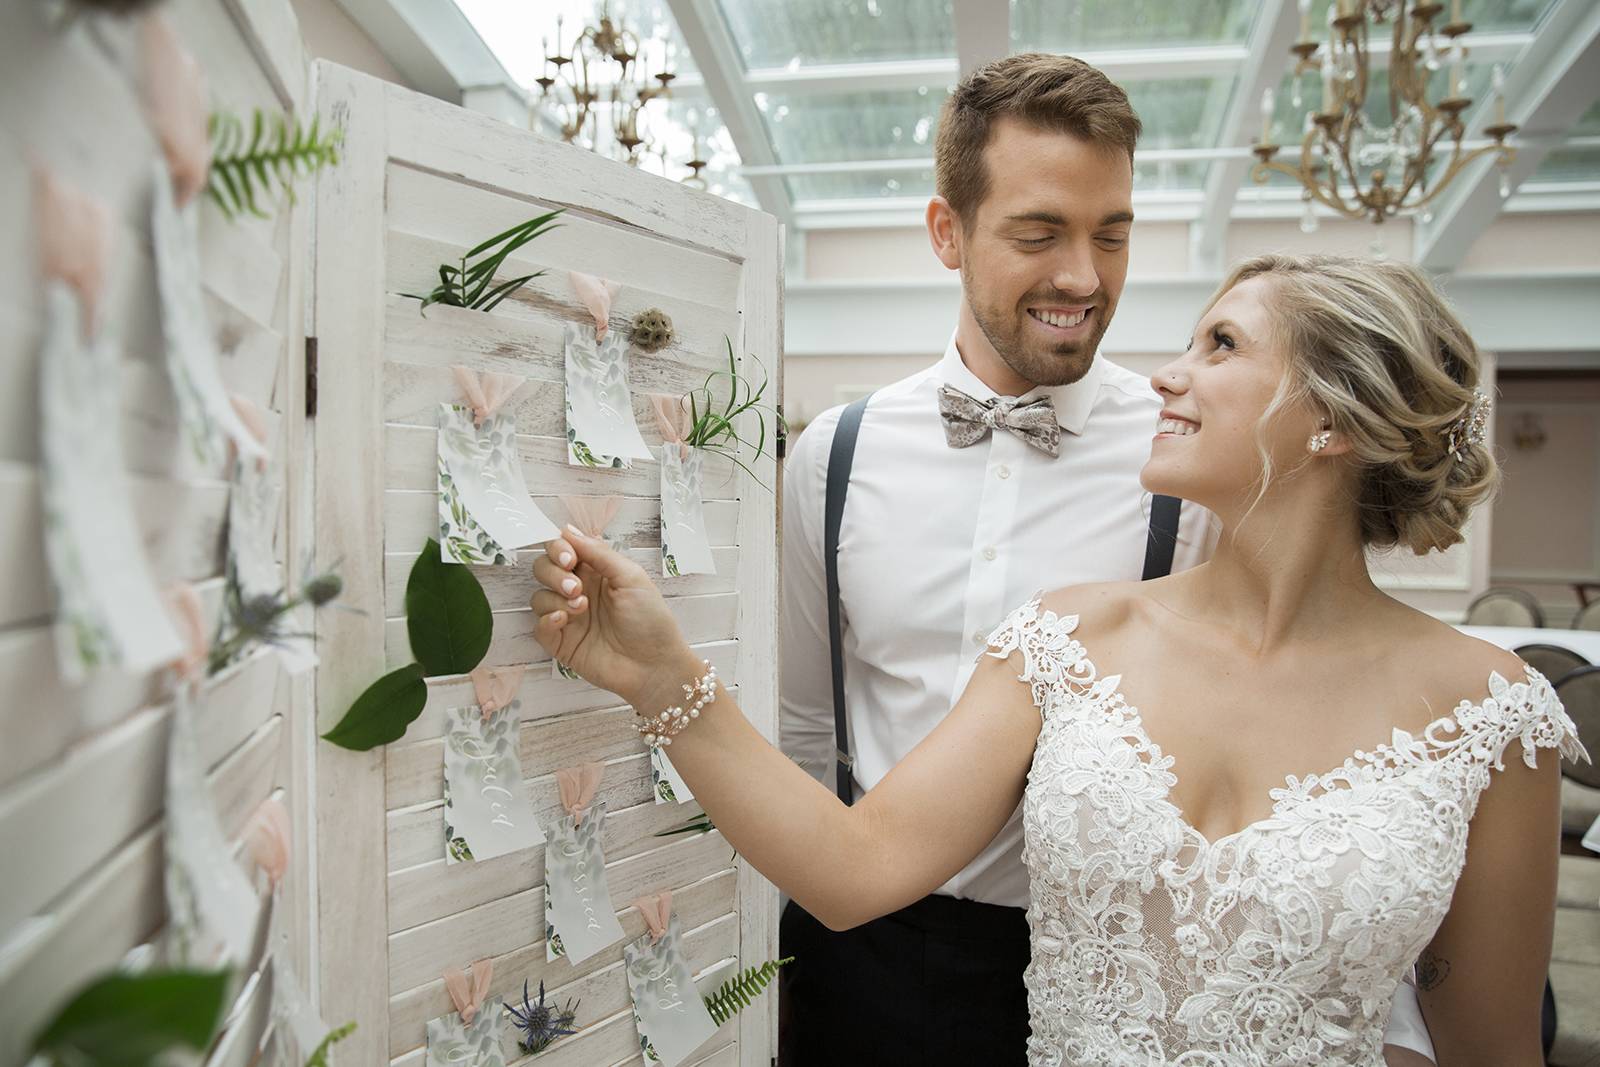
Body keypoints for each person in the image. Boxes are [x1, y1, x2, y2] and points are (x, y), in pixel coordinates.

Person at [530, 250, 1588, 1066]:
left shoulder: (1491, 714)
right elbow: (853, 871)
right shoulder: (1070, 640)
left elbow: (1489, 1051)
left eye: (1221, 345)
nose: (1169, 374)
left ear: (1331, 419)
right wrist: (657, 674)